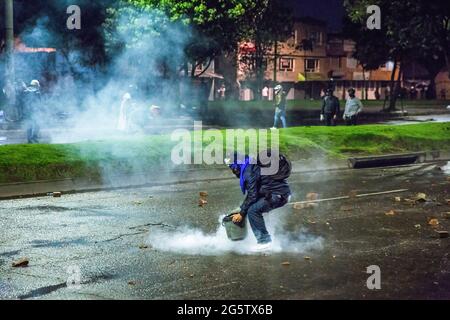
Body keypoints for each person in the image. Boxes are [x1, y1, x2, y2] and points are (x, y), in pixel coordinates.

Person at [226, 153, 291, 252]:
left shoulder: (248, 172)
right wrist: (241, 209)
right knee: (253, 208)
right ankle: (266, 237)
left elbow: (252, 196)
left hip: (277, 195)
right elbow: (254, 193)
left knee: (253, 211)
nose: (232, 170)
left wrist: (242, 213)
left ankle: (265, 241)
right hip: (279, 194)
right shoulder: (250, 165)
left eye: (231, 166)